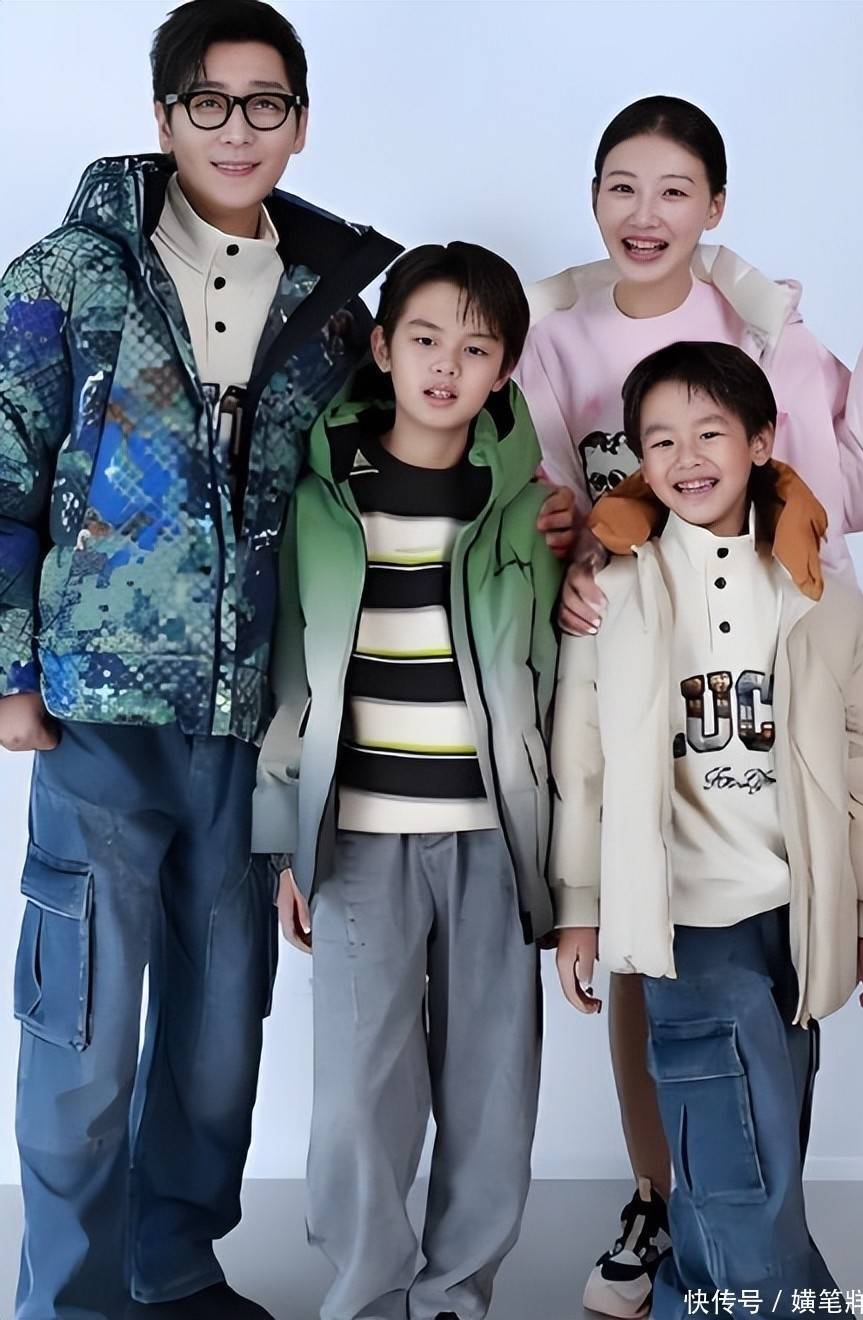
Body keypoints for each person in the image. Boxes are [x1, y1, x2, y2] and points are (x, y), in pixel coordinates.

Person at [0, 2, 405, 1316]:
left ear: (301, 121)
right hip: (99, 719)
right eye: (210, 103)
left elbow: (386, 473)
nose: (240, 130)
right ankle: (72, 1297)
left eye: (266, 103)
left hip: (251, 723)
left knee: (222, 1032)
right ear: (165, 116)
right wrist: (9, 670)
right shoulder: (68, 276)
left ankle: (172, 1273)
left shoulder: (331, 307)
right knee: (81, 1033)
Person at [514, 95, 863, 1315]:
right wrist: (579, 559)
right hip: (631, 675)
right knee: (675, 1011)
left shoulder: (761, 328)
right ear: (592, 197)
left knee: (763, 1077)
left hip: (774, 736)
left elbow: (834, 482)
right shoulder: (548, 334)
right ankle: (668, 1208)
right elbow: (533, 491)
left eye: (675, 190)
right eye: (621, 187)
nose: (646, 214)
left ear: (715, 206)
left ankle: (716, 1257)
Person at [252, 242, 564, 1320]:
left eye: (476, 349)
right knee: (356, 1094)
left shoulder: (526, 509)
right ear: (382, 349)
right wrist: (285, 845)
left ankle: (455, 1299)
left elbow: (552, 678)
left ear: (504, 371)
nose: (446, 365)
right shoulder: (319, 498)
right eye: (425, 339)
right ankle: (364, 1296)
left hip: (494, 837)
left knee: (491, 1093)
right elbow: (288, 678)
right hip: (354, 837)